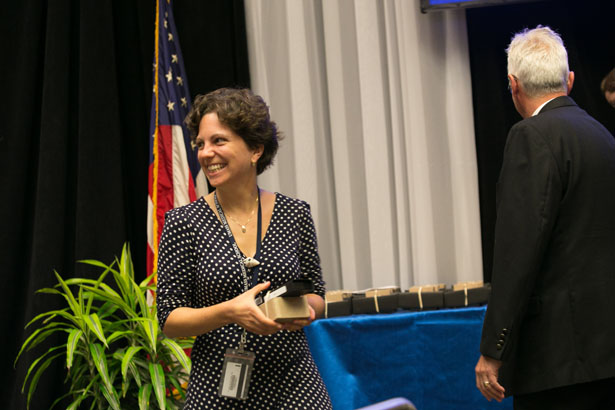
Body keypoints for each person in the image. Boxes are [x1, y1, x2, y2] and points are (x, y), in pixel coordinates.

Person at [156, 87, 332, 409]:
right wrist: (230, 312)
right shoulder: (182, 222)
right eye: (200, 144)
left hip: (295, 388)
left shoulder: (295, 213)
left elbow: (317, 294)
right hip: (217, 390)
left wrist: (303, 311)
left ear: (255, 149)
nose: (205, 153)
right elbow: (169, 318)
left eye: (218, 141)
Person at [475, 26, 615, 409]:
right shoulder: (602, 135)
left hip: (556, 360)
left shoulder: (530, 136)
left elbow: (517, 250)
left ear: (512, 84)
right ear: (569, 80)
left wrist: (493, 347)